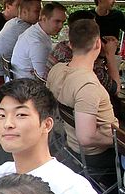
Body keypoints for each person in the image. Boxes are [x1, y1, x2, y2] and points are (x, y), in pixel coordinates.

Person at [46, 19, 118, 182]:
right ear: (98, 43)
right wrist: (117, 140)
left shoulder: (56, 70)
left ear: (70, 44)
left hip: (70, 145)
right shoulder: (88, 86)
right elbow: (86, 138)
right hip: (97, 155)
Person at [45, 10, 120, 96]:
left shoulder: (61, 46)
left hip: (53, 102)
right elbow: (116, 89)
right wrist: (110, 55)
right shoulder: (86, 69)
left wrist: (100, 54)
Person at [0, 0, 41, 82]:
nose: (40, 15)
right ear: (25, 12)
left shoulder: (12, 22)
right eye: (37, 11)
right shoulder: (25, 29)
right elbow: (38, 49)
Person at [11, 2, 66, 79]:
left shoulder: (35, 31)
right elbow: (42, 78)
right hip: (24, 87)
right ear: (44, 19)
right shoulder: (37, 43)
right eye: (57, 21)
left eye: (63, 22)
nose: (61, 26)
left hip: (18, 80)